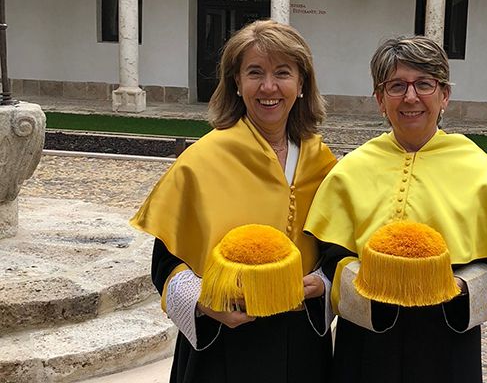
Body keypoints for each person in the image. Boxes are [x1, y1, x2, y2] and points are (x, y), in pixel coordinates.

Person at [304, 36, 487, 383]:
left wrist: (458, 286)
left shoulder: (474, 165)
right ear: (380, 99)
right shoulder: (352, 168)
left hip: (445, 339)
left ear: (445, 95)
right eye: (397, 86)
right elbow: (331, 255)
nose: (410, 97)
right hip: (368, 341)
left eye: (424, 84)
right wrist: (368, 285)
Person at [130, 20, 337, 383]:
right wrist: (205, 303)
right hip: (223, 346)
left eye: (283, 73)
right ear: (236, 83)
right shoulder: (202, 161)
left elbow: (334, 252)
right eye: (255, 72)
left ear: (302, 83)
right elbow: (165, 263)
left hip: (302, 345)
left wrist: (323, 283)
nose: (269, 87)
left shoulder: (322, 163)